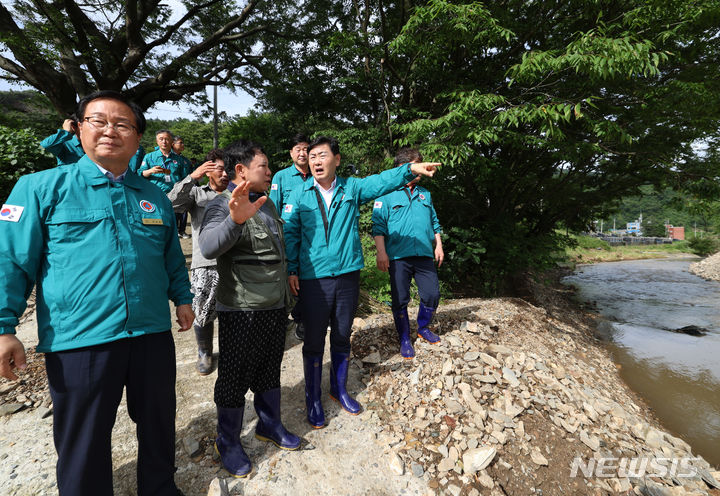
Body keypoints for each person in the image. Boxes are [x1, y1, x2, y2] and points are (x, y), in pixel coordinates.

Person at [0, 90, 194, 495]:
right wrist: (3, 326)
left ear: (137, 137)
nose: (110, 130)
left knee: (159, 422)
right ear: (79, 128)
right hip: (81, 340)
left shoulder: (153, 194)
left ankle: (160, 489)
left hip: (151, 332)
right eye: (99, 121)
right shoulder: (40, 188)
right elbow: (11, 261)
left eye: (123, 124)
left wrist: (183, 297)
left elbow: (171, 257)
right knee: (83, 439)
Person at [282, 136, 439, 428]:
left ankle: (338, 389)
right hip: (313, 278)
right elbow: (290, 235)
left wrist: (411, 170)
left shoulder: (351, 188)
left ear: (336, 160)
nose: (316, 161)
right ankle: (312, 398)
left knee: (342, 335)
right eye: (312, 156)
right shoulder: (299, 194)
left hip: (346, 276)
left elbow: (381, 181)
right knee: (314, 340)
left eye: (322, 156)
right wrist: (292, 269)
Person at [199, 140, 300, 478]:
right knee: (233, 377)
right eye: (264, 166)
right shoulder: (221, 204)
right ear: (240, 171)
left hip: (273, 305)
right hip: (242, 309)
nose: (270, 172)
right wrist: (234, 220)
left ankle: (269, 425)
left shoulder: (267, 205)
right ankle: (227, 440)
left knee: (270, 369)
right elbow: (210, 246)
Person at [372, 147, 444, 359]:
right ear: (405, 167)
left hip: (423, 254)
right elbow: (378, 226)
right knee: (400, 299)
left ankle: (423, 328)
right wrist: (381, 253)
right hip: (398, 256)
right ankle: (404, 337)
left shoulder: (425, 194)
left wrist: (438, 245)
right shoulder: (385, 194)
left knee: (432, 294)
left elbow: (434, 222)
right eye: (417, 165)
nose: (421, 170)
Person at [168, 149, 229, 374]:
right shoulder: (197, 193)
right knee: (202, 310)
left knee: (234, 311)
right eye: (219, 169)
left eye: (227, 169)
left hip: (234, 262)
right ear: (208, 170)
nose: (225, 174)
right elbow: (170, 204)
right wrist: (192, 177)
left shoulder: (237, 192)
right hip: (206, 262)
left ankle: (231, 350)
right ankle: (204, 351)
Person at [269, 133, 311, 340]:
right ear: (291, 153)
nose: (302, 153)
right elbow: (273, 208)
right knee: (291, 277)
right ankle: (296, 316)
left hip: (314, 237)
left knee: (311, 276)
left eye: (305, 149)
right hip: (289, 236)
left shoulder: (318, 173)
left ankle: (302, 316)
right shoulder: (281, 177)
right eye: (298, 149)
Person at [172, 136, 193, 239]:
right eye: (180, 143)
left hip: (185, 188)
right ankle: (175, 230)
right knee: (174, 210)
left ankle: (182, 230)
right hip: (173, 188)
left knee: (184, 210)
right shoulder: (169, 158)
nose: (183, 145)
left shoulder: (185, 160)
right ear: (173, 144)